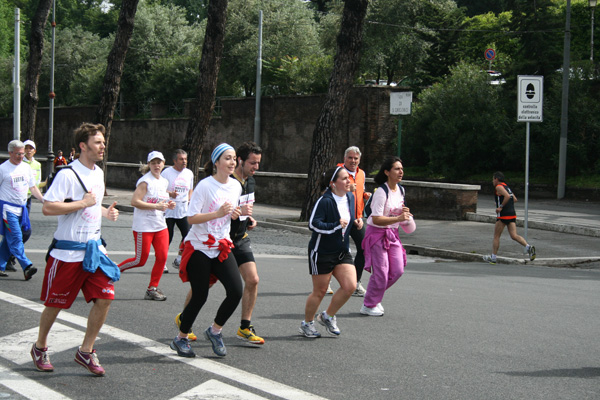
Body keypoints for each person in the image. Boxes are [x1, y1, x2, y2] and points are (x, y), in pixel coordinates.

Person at [31, 122, 120, 376]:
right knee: (55, 304)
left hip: (93, 251)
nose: (103, 146)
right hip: (67, 253)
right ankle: (40, 346)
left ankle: (86, 351)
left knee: (105, 298)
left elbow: (94, 206)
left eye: (103, 142)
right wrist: (82, 202)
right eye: (98, 142)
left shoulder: (99, 174)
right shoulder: (67, 174)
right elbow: (48, 207)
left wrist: (107, 212)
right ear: (83, 146)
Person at [170, 143, 243, 358]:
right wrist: (218, 213)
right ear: (217, 162)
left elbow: (230, 214)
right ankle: (181, 338)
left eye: (234, 158)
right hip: (199, 246)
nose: (232, 162)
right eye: (228, 158)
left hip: (221, 244)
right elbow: (191, 218)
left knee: (236, 291)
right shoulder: (204, 186)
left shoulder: (236, 186)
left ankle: (215, 331)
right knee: (200, 295)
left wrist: (237, 214)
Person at [299, 166, 357, 338]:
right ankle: (307, 323)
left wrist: (356, 221)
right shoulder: (324, 201)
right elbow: (313, 224)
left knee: (350, 286)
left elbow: (349, 219)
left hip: (341, 250)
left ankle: (327, 316)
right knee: (320, 291)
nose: (349, 181)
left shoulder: (350, 197)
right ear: (333, 183)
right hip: (321, 251)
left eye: (349, 177)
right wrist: (335, 226)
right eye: (344, 178)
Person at [360, 156, 415, 317]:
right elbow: (376, 218)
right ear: (387, 172)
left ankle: (373, 298)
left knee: (397, 270)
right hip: (377, 234)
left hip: (392, 234)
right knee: (381, 273)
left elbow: (395, 210)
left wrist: (403, 213)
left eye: (401, 169)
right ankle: (368, 304)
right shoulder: (381, 192)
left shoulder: (401, 190)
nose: (401, 172)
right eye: (397, 169)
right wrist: (398, 218)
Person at [118, 151, 175, 301]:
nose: (157, 165)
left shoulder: (164, 181)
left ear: (163, 163)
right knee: (140, 260)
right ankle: (112, 272)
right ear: (149, 164)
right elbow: (135, 202)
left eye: (159, 162)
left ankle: (152, 289)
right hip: (144, 226)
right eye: (154, 163)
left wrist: (169, 204)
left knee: (162, 257)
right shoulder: (145, 181)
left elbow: (161, 201)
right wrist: (156, 206)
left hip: (160, 225)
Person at [0, 140, 45, 279]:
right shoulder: (3, 169)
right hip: (7, 210)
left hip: (22, 209)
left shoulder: (26, 168)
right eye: (18, 154)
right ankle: (27, 266)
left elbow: (33, 187)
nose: (21, 156)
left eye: (22, 154)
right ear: (10, 153)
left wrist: (44, 200)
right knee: (16, 237)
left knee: (12, 238)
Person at [337, 146, 371, 297]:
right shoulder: (338, 171)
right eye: (350, 158)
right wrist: (346, 188)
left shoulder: (361, 173)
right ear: (344, 158)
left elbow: (358, 193)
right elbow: (329, 190)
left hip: (357, 219)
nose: (353, 161)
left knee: (364, 247)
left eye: (356, 158)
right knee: (336, 249)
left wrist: (364, 195)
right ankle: (326, 281)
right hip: (341, 218)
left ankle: (356, 283)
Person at [483, 171, 536, 264]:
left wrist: (501, 207)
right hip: (512, 213)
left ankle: (493, 258)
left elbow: (507, 197)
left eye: (493, 179)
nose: (492, 181)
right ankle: (528, 247)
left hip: (503, 215)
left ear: (496, 179)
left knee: (496, 236)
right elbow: (514, 199)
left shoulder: (498, 187)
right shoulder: (506, 187)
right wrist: (501, 202)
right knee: (514, 235)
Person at [162, 149, 194, 274]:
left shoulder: (189, 173)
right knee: (167, 238)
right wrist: (170, 194)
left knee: (188, 235)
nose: (184, 162)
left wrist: (190, 200)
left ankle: (179, 258)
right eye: (181, 159)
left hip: (183, 210)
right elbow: (159, 189)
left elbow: (190, 189)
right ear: (175, 160)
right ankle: (162, 263)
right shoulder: (166, 173)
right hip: (169, 210)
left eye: (185, 159)